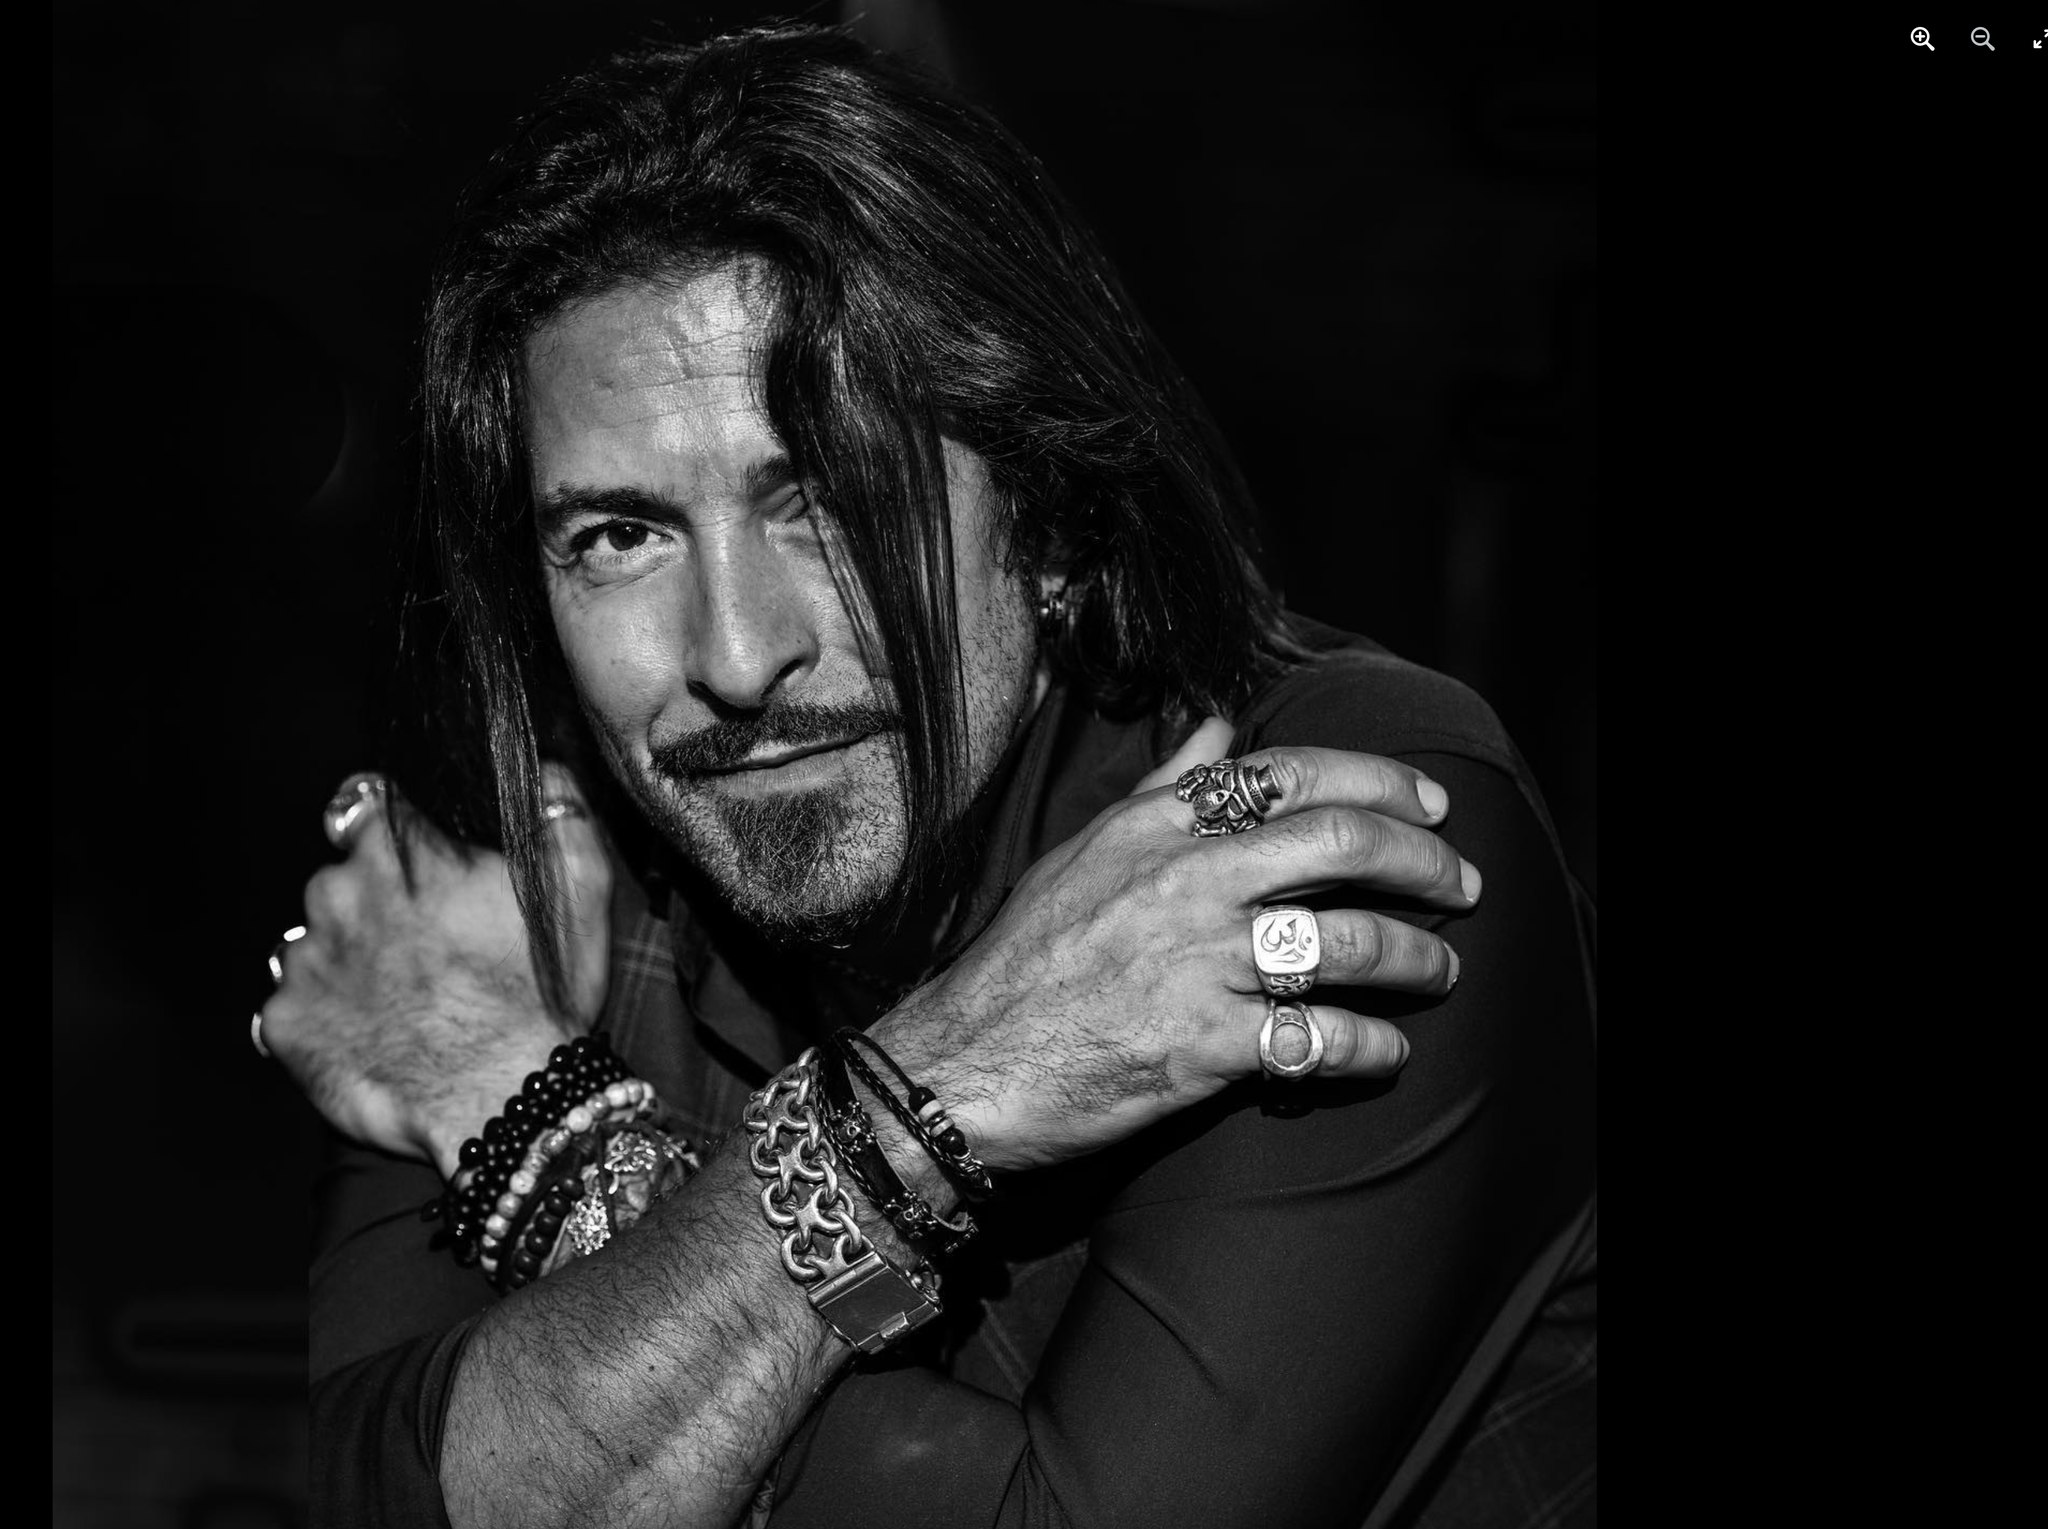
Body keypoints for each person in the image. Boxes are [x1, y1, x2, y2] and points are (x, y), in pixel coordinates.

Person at [261, 23, 1595, 1529]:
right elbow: (377, 1491)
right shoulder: (507, 894)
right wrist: (939, 1089)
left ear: (1051, 510)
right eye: (620, 536)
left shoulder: (1319, 822)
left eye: (831, 497)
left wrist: (538, 1130)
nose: (738, 654)